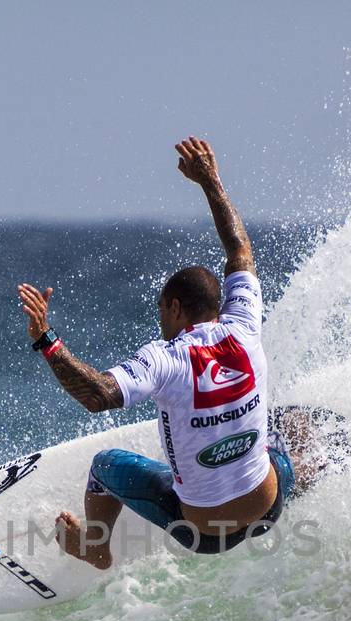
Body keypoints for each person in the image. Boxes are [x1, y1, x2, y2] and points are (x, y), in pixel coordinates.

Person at [16, 137, 294, 570]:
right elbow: (239, 250)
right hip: (269, 508)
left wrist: (46, 339)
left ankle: (96, 547)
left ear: (177, 308)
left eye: (162, 310)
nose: (161, 319)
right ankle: (312, 475)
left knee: (104, 466)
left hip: (204, 533)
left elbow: (98, 395)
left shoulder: (167, 360)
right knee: (286, 428)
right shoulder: (244, 325)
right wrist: (210, 182)